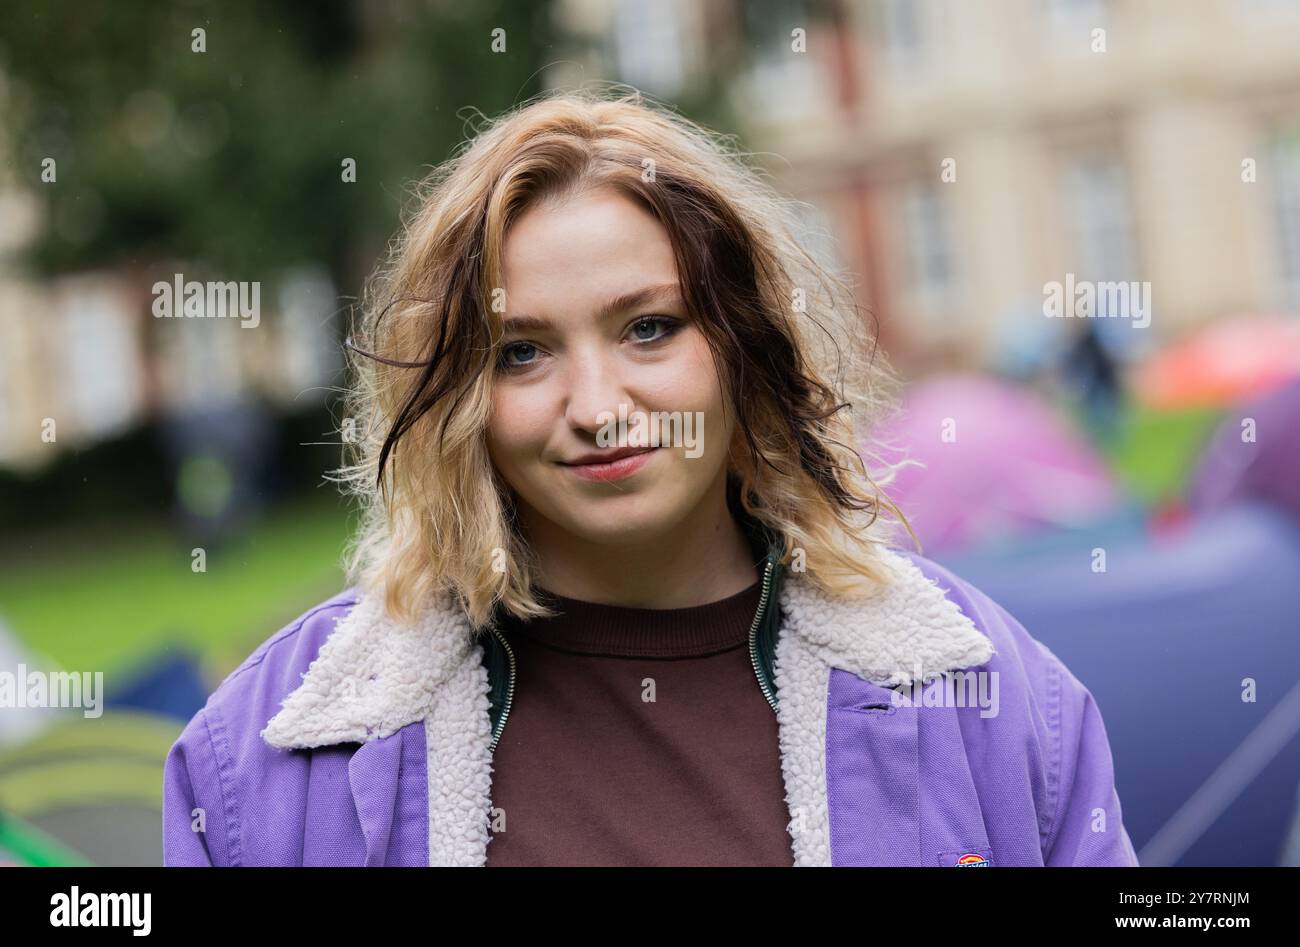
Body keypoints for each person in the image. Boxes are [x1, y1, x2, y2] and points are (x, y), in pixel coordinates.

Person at [162, 87, 1138, 867]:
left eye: (648, 327)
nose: (596, 404)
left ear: (741, 343)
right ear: (458, 394)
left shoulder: (989, 699)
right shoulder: (266, 757)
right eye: (521, 352)